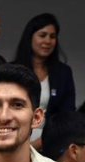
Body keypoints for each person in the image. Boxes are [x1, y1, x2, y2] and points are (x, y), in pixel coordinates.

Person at [13, 13, 76, 144]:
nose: (48, 41)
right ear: (30, 37)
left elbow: (67, 115)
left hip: (51, 141)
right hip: (15, 138)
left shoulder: (63, 72)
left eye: (52, 36)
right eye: (42, 35)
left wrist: (40, 143)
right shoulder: (12, 70)